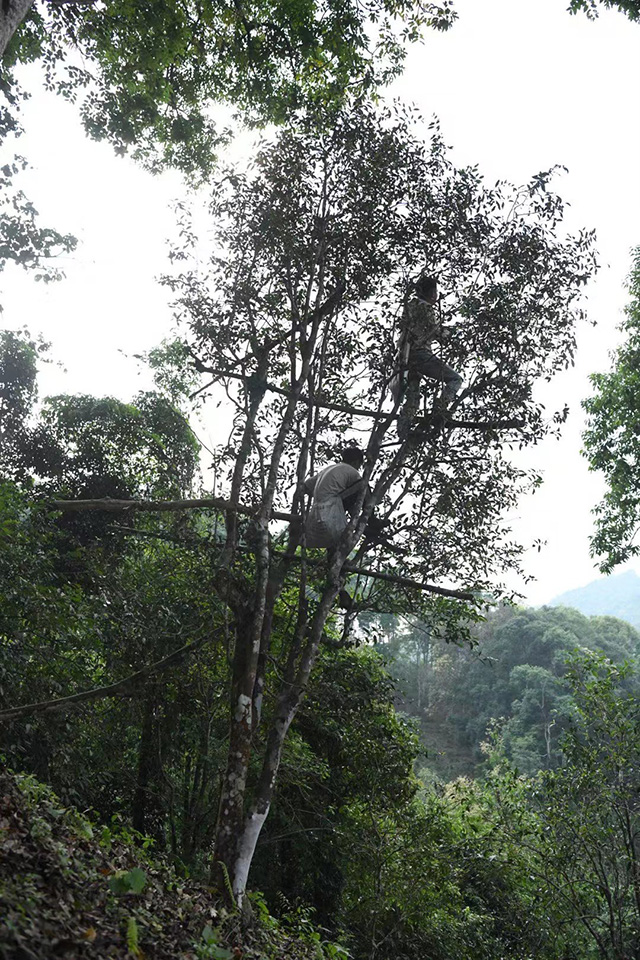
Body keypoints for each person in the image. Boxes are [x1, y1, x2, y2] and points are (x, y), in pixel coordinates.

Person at [395, 275, 463, 434]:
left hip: (405, 356)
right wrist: (449, 334)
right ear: (432, 293)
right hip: (420, 353)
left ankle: (403, 429)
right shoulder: (425, 307)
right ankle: (439, 411)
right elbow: (435, 330)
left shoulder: (409, 305)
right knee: (455, 379)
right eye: (436, 292)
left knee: (413, 394)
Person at [304, 447, 368, 549]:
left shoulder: (329, 469)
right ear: (356, 462)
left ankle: (332, 558)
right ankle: (372, 520)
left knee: (333, 540)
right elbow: (361, 488)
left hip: (318, 509)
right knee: (364, 485)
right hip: (333, 504)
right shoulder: (352, 471)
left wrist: (320, 496)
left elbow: (305, 486)